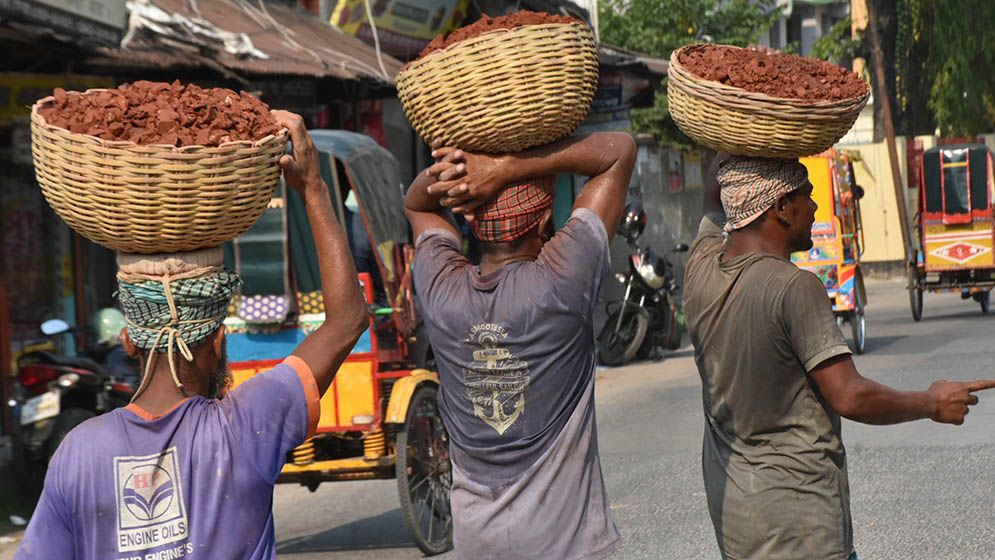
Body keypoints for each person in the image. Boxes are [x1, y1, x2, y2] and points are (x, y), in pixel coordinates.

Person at [17, 112, 369, 560]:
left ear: (128, 342)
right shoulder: (246, 425)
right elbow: (348, 319)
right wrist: (313, 187)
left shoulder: (77, 453)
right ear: (218, 342)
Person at [684, 154, 995, 560]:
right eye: (808, 196)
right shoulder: (794, 288)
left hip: (738, 522)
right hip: (801, 526)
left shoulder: (700, 268)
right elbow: (850, 395)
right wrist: (932, 403)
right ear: (782, 208)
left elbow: (713, 199)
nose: (815, 208)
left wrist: (732, 136)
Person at [405, 132, 636, 560]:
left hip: (477, 544)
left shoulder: (441, 291)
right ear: (545, 222)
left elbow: (417, 204)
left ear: (473, 222)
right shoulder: (563, 281)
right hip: (563, 545)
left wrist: (455, 170)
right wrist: (509, 168)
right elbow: (619, 150)